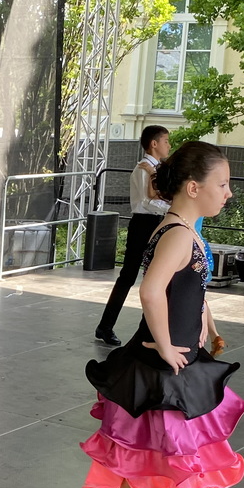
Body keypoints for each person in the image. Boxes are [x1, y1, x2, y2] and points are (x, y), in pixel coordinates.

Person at [75, 141, 244, 488]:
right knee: (170, 462)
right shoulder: (177, 234)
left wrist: (208, 325)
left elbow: (190, 289)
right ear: (193, 187)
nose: (228, 193)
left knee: (178, 460)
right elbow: (151, 291)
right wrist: (169, 346)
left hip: (180, 364)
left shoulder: (182, 229)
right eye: (222, 184)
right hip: (162, 367)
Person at [95, 125, 170, 347]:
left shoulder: (159, 168)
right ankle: (105, 326)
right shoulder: (143, 169)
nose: (169, 145)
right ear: (154, 143)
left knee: (156, 277)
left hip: (157, 223)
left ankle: (149, 331)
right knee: (128, 276)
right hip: (143, 223)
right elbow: (144, 202)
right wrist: (171, 207)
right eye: (165, 141)